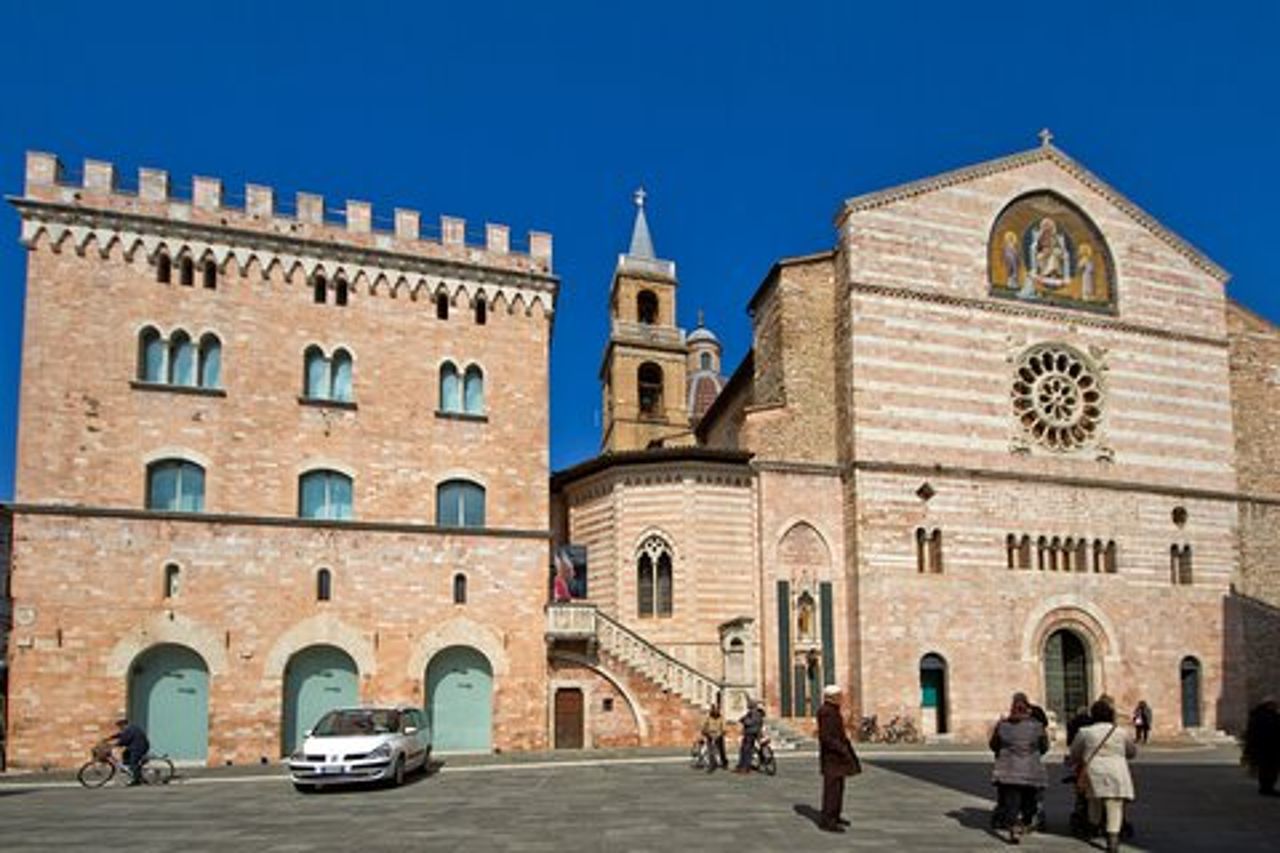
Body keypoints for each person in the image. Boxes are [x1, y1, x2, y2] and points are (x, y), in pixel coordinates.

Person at [1070, 698, 1137, 853]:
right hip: (1117, 770)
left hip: (1094, 771)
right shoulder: (1121, 732)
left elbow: (1075, 753)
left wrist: (1074, 760)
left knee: (1094, 801)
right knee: (1115, 804)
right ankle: (1112, 839)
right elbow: (1132, 752)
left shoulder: (1085, 732)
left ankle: (1094, 825)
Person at [989, 692, 1049, 844]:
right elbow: (1044, 747)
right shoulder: (1037, 726)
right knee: (1029, 801)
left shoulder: (1003, 726)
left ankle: (1014, 828)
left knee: (1011, 802)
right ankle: (1024, 822)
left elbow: (994, 745)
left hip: (1008, 771)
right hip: (1031, 771)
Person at [816, 684, 860, 832]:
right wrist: (841, 749)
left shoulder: (832, 711)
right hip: (832, 757)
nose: (842, 698)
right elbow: (826, 737)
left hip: (836, 756)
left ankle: (835, 815)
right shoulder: (827, 712)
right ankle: (828, 820)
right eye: (840, 696)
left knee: (838, 787)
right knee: (832, 789)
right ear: (832, 697)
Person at [1242, 697, 1280, 796]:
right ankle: (1267, 788)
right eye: (1274, 705)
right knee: (1269, 769)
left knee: (1267, 768)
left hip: (1264, 747)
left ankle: (1266, 787)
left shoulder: (1257, 715)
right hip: (1268, 747)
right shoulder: (1267, 716)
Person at [110, 717, 150, 786]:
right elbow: (121, 735)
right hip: (135, 746)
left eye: (120, 726)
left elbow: (125, 740)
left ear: (123, 724)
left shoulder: (130, 729)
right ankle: (134, 771)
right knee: (125, 754)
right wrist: (110, 738)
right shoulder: (129, 729)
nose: (119, 728)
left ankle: (136, 780)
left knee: (133, 762)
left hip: (139, 747)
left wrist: (115, 744)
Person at [735, 699, 764, 774]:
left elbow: (750, 722)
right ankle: (741, 765)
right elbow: (744, 718)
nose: (747, 705)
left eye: (749, 704)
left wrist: (744, 721)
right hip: (750, 733)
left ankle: (746, 767)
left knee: (746, 750)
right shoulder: (751, 713)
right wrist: (742, 719)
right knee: (743, 749)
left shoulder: (755, 713)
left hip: (751, 733)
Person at [700, 704, 727, 772]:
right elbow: (704, 727)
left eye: (717, 710)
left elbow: (724, 728)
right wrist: (706, 732)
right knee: (711, 751)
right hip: (710, 735)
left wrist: (720, 733)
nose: (715, 711)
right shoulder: (708, 718)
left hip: (719, 735)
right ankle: (712, 764)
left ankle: (724, 762)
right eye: (714, 710)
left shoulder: (721, 718)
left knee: (721, 750)